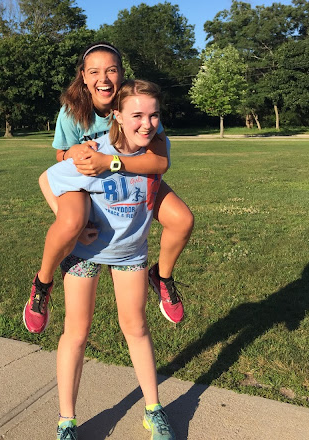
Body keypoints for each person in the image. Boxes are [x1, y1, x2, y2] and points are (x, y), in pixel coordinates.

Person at [23, 43, 194, 334]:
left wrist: (111, 162)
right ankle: (42, 283)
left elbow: (160, 162)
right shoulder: (72, 112)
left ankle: (162, 277)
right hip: (87, 182)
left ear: (122, 73)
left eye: (111, 70)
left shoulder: (136, 103)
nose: (103, 79)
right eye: (94, 72)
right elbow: (60, 157)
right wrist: (73, 152)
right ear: (83, 76)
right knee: (70, 223)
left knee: (182, 220)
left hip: (131, 177)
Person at [45, 80, 176, 440]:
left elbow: (158, 163)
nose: (147, 124)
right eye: (137, 115)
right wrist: (70, 224)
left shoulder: (155, 152)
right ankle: (66, 422)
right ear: (116, 114)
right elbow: (48, 178)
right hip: (85, 254)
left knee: (137, 328)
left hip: (130, 252)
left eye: (154, 115)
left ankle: (153, 410)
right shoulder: (93, 155)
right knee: (76, 333)